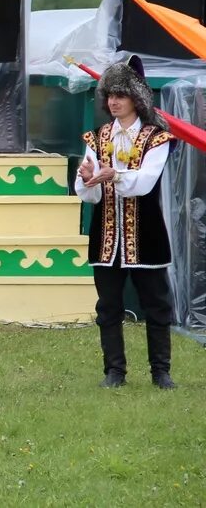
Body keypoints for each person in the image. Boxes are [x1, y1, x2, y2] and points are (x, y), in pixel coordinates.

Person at [75, 56, 177, 390]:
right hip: (105, 237)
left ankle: (160, 372)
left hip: (146, 236)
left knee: (157, 305)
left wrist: (113, 174)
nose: (114, 101)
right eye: (109, 95)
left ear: (137, 98)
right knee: (108, 306)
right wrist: (88, 178)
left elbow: (145, 183)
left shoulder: (156, 138)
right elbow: (89, 195)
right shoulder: (96, 139)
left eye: (121, 94)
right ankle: (114, 372)